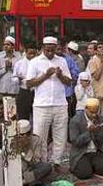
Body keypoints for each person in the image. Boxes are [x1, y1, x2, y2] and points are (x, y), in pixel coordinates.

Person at [26, 36, 72, 165]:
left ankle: (56, 162)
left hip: (60, 104)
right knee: (40, 137)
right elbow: (29, 83)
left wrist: (60, 75)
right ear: (42, 48)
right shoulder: (34, 62)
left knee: (60, 136)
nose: (50, 53)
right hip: (42, 105)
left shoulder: (62, 61)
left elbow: (69, 82)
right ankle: (42, 163)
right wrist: (45, 75)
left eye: (53, 50)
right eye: (48, 50)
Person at [69, 98, 103, 179]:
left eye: (96, 112)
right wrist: (88, 133)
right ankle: (79, 166)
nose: (94, 115)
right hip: (81, 153)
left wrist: (96, 132)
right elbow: (75, 142)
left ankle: (91, 165)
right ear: (86, 109)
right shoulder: (76, 120)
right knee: (85, 174)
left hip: (95, 151)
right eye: (91, 112)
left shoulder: (101, 119)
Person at [13, 120, 52, 186]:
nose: (19, 137)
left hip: (31, 166)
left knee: (47, 167)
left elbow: (36, 160)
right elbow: (14, 159)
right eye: (18, 135)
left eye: (22, 135)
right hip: (19, 167)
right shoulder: (12, 141)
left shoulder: (36, 139)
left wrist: (27, 146)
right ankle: (31, 181)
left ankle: (24, 182)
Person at [13, 44, 37, 120]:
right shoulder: (19, 63)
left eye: (34, 53)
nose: (32, 55)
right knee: (23, 116)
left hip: (36, 92)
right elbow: (13, 78)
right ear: (26, 53)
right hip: (24, 91)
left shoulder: (38, 63)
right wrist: (18, 79)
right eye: (30, 53)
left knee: (37, 116)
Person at [56, 41, 79, 119]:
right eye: (57, 48)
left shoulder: (68, 59)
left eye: (60, 48)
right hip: (53, 94)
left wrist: (68, 75)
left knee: (66, 116)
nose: (59, 49)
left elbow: (75, 73)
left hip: (66, 93)